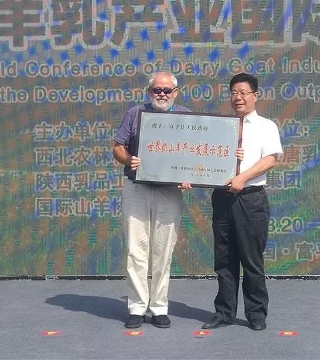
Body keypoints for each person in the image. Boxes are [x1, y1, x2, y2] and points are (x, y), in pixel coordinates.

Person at [202, 72, 282, 331]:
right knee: (224, 260)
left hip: (250, 199)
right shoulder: (220, 127)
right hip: (222, 198)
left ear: (255, 96)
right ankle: (224, 312)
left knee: (251, 260)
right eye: (234, 93)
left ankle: (256, 313)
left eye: (243, 93)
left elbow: (270, 159)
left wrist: (242, 177)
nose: (238, 98)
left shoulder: (266, 126)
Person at [113, 71, 191, 329]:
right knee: (136, 251)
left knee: (163, 251)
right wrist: (128, 159)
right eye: (157, 89)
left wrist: (191, 174)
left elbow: (195, 154)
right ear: (149, 91)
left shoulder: (187, 117)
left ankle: (158, 307)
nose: (162, 94)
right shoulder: (135, 114)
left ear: (175, 92)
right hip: (138, 188)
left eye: (167, 90)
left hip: (169, 191)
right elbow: (118, 146)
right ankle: (137, 307)